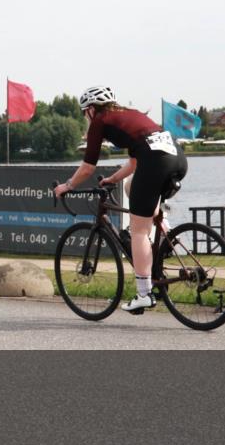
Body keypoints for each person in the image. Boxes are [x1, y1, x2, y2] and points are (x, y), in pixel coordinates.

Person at [54, 86, 188, 312]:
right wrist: (113, 178)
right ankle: (165, 230)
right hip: (178, 160)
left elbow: (87, 167)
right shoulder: (131, 114)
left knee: (138, 231)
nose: (86, 117)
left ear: (91, 109)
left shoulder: (100, 121)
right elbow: (136, 161)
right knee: (130, 186)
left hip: (156, 163)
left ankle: (144, 293)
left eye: (84, 112)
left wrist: (67, 186)